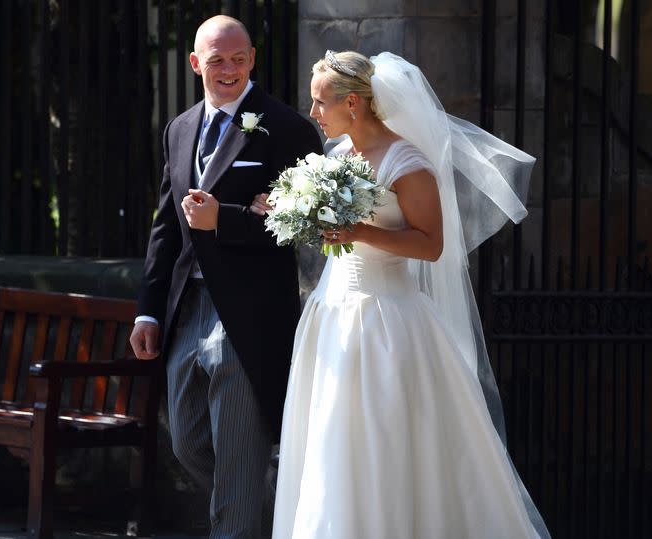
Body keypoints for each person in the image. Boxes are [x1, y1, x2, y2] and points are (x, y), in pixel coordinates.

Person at [253, 51, 550, 538]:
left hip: (386, 321)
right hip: (332, 314)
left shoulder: (407, 162)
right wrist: (291, 211)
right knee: (331, 443)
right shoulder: (337, 157)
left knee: (384, 441)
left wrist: (362, 232)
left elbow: (430, 245)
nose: (312, 113)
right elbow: (334, 235)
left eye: (319, 102)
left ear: (352, 103)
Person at [129, 15, 322, 539]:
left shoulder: (287, 128)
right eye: (217, 60)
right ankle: (263, 508)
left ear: (253, 59)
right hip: (186, 310)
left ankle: (237, 523)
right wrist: (149, 308)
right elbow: (165, 227)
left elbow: (303, 227)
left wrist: (228, 218)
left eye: (239, 59)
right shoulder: (180, 128)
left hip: (250, 312)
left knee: (238, 456)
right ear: (196, 64)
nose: (229, 69)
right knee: (187, 442)